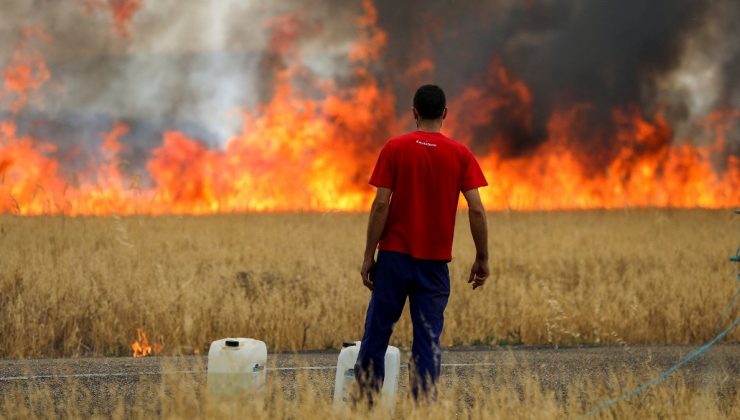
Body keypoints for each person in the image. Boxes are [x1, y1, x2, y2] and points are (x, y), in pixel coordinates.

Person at [355, 84, 490, 402]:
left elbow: (380, 204)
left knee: (377, 332)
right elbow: (477, 209)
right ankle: (423, 406)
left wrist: (368, 255)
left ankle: (364, 403)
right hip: (434, 266)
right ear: (445, 114)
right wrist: (482, 257)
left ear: (413, 112)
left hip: (394, 259)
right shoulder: (461, 154)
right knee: (428, 340)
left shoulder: (394, 148)